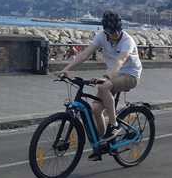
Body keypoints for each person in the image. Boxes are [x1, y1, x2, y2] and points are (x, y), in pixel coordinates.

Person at [59, 11, 143, 160]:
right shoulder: (102, 37)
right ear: (105, 30)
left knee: (103, 87)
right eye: (111, 32)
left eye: (117, 31)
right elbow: (84, 54)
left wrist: (106, 77)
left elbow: (121, 61)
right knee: (96, 109)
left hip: (130, 75)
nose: (114, 34)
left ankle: (114, 126)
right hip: (113, 75)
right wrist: (66, 69)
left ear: (120, 28)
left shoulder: (127, 41)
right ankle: (103, 142)